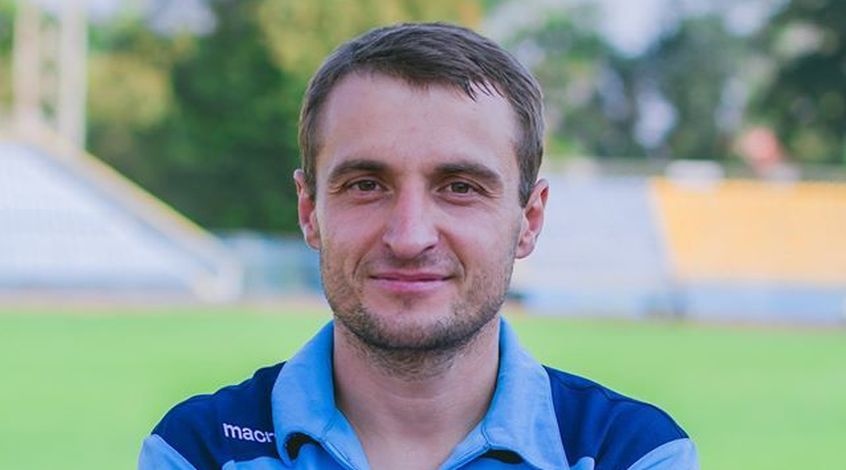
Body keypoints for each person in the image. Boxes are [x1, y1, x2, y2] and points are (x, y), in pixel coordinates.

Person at [139, 23, 698, 470]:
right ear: (309, 211)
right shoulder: (199, 451)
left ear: (529, 219)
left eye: (460, 188)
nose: (409, 237)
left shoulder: (631, 454)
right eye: (366, 185)